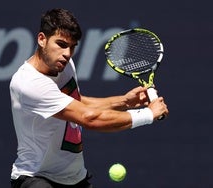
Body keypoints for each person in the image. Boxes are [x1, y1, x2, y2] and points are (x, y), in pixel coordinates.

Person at [9, 8, 169, 188]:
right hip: (36, 178)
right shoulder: (28, 83)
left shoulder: (64, 63)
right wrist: (147, 114)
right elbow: (88, 117)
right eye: (61, 44)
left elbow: (76, 102)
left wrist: (124, 102)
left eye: (72, 46)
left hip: (75, 178)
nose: (67, 53)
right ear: (41, 39)